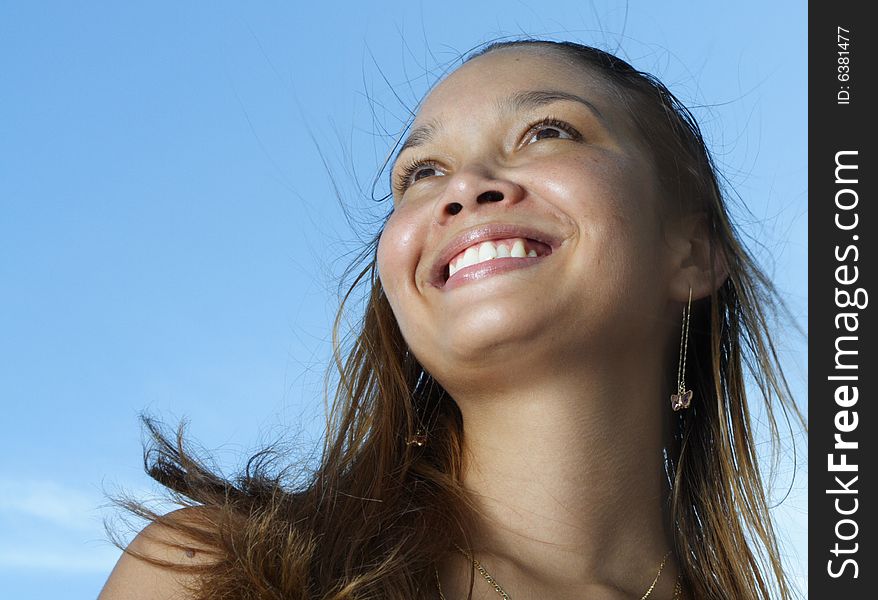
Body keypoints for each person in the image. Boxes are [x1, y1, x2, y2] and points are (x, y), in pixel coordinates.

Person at [99, 39, 803, 600]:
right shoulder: (213, 572)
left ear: (691, 252)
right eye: (421, 173)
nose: (464, 185)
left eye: (547, 131)